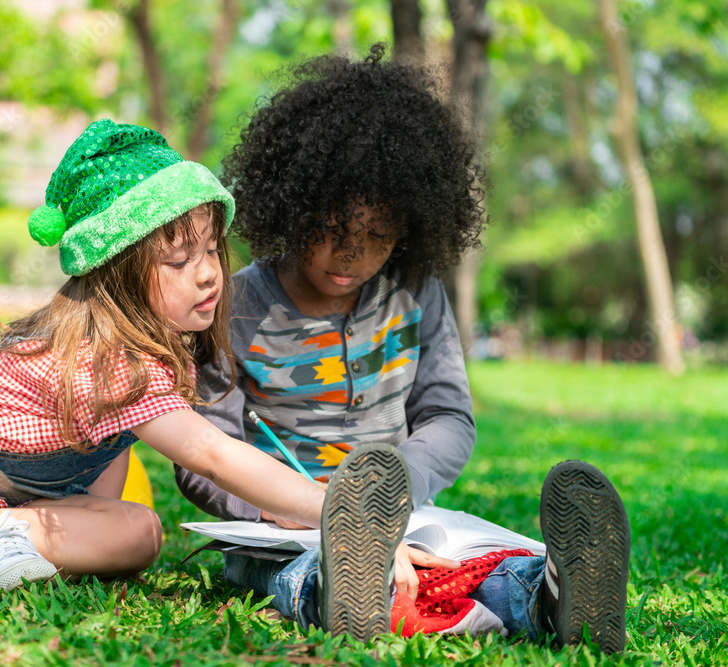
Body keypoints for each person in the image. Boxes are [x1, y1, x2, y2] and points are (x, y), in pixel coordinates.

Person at [176, 45, 631, 652]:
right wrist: (266, 507)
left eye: (378, 238)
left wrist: (392, 493)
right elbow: (203, 451)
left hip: (407, 514)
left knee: (474, 564)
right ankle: (341, 590)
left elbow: (448, 418)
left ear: (411, 226)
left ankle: (550, 595)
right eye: (332, 232)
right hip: (282, 527)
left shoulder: (418, 293)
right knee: (286, 570)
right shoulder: (235, 308)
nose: (351, 255)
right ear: (292, 205)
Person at [0, 119, 340, 595]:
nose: (208, 272)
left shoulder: (152, 359)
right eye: (180, 260)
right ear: (116, 274)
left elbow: (94, 501)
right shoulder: (112, 355)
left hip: (14, 501)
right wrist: (328, 507)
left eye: (211, 250)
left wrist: (285, 507)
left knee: (140, 531)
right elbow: (212, 453)